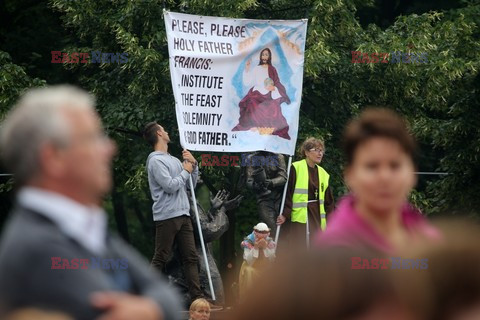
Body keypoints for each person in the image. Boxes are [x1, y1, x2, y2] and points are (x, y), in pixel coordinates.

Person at [0, 85, 181, 320]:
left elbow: (168, 297)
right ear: (53, 158)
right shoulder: (37, 248)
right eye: (93, 138)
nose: (110, 148)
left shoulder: (81, 228)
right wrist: (156, 307)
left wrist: (150, 309)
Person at [315, 108, 439, 254]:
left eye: (395, 165)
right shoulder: (332, 252)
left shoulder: (431, 241)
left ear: (412, 173)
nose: (384, 177)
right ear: (350, 175)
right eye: (372, 166)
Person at [144, 121, 215, 309]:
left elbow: (189, 183)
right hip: (166, 215)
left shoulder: (174, 160)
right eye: (164, 130)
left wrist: (194, 164)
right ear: (159, 133)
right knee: (161, 256)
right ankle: (145, 295)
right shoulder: (155, 160)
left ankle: (197, 298)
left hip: (183, 214)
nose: (167, 132)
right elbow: (170, 186)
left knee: (191, 257)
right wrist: (185, 171)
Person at [276, 137, 334, 248]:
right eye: (316, 150)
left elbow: (329, 201)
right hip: (301, 217)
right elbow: (288, 192)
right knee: (300, 248)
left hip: (317, 216)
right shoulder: (296, 167)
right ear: (306, 152)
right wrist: (285, 214)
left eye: (321, 150)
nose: (320, 153)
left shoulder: (324, 174)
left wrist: (331, 220)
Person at [232, 48, 291, 139]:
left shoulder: (272, 69)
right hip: (257, 92)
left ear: (269, 56)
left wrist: (273, 88)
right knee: (251, 101)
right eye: (263, 55)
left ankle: (267, 129)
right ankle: (253, 126)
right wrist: (247, 69)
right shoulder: (256, 68)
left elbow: (276, 82)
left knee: (273, 106)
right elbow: (248, 82)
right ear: (261, 56)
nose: (264, 56)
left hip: (268, 93)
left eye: (266, 55)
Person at [243, 151, 287, 234]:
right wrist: (255, 185)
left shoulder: (278, 157)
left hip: (279, 197)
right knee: (272, 227)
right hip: (264, 198)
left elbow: (283, 177)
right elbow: (249, 181)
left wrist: (271, 182)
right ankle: (274, 245)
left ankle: (281, 246)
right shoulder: (251, 158)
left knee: (283, 228)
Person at [238, 223, 276, 299]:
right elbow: (248, 261)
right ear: (255, 233)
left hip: (265, 267)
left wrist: (265, 248)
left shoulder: (270, 243)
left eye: (264, 233)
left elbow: (272, 260)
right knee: (249, 272)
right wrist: (255, 247)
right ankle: (248, 300)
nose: (261, 235)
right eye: (259, 233)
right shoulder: (248, 242)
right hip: (251, 267)